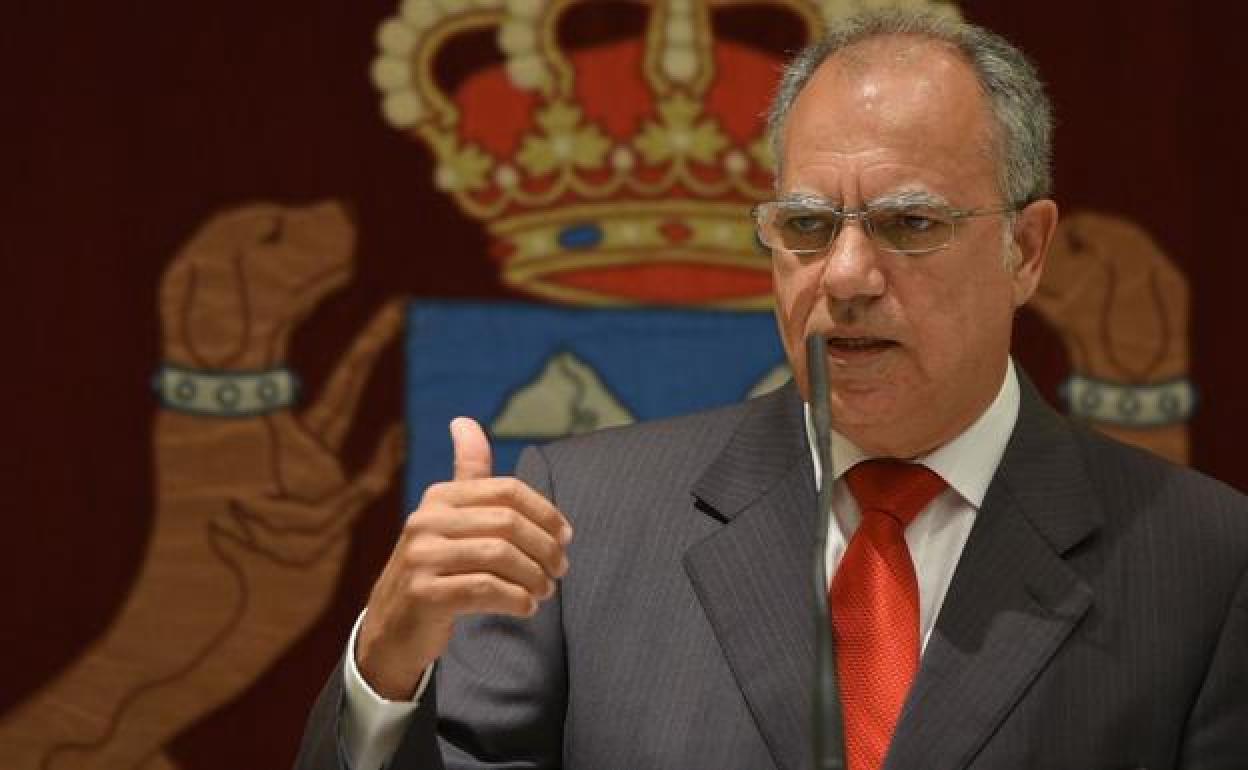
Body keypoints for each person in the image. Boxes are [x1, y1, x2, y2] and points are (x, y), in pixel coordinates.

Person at [296, 10, 1248, 770]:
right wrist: (387, 666)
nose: (846, 275)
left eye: (910, 224)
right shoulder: (582, 520)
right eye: (806, 225)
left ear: (1027, 250)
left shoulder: (1205, 562)